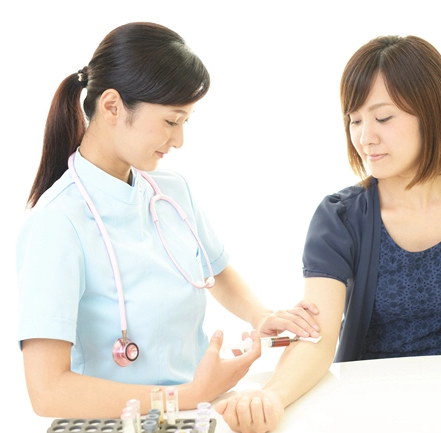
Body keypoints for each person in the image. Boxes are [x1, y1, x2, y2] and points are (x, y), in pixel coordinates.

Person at [215, 34, 441, 432]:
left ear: (432, 112)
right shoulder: (339, 218)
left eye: (383, 118)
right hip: (364, 411)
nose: (364, 137)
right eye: (354, 120)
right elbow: (318, 338)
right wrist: (274, 395)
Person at [16, 21, 320, 419]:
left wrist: (260, 316)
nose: (178, 141)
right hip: (116, 425)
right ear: (111, 106)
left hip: (195, 412)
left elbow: (216, 270)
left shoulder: (171, 192)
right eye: (171, 122)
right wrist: (187, 396)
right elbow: (49, 392)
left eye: (184, 123)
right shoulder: (56, 223)